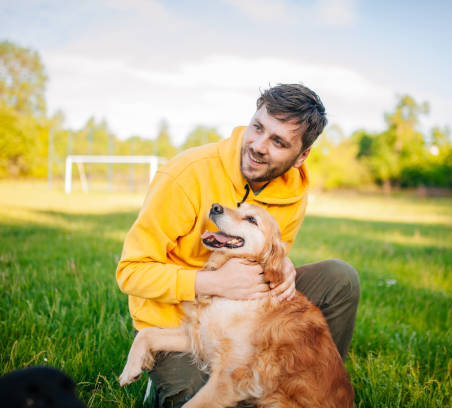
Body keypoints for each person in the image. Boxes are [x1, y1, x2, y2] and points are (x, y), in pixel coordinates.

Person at [116, 83, 361, 407]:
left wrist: (283, 265)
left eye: (278, 141)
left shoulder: (293, 192)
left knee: (339, 277)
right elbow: (131, 273)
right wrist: (213, 282)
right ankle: (167, 381)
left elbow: (272, 248)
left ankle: (313, 387)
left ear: (301, 156)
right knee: (199, 397)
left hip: (246, 312)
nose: (259, 146)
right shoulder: (185, 175)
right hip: (177, 321)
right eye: (257, 127)